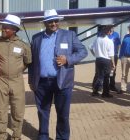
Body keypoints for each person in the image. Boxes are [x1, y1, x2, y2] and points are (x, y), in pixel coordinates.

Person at [28, 9, 87, 140]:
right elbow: (32, 62)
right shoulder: (36, 38)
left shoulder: (69, 35)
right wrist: (31, 80)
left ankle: (62, 137)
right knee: (42, 112)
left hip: (63, 81)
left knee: (62, 114)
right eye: (50, 21)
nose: (54, 23)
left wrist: (68, 59)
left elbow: (83, 51)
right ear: (45, 23)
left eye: (56, 21)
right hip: (42, 82)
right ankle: (43, 136)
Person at [0, 14, 32, 140]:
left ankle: (16, 136)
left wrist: (17, 70)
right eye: (3, 27)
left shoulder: (23, 45)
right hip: (1, 80)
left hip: (17, 80)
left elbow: (28, 61)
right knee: (0, 110)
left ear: (14, 29)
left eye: (6, 27)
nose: (3, 29)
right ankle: (1, 136)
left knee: (18, 110)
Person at [90, 25, 115, 98]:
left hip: (98, 59)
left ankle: (95, 91)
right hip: (106, 60)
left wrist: (95, 54)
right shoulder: (109, 41)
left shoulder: (97, 39)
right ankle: (105, 93)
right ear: (109, 32)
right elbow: (111, 54)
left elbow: (90, 47)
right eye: (111, 31)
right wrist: (113, 63)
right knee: (106, 77)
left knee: (99, 75)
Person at [108, 26, 121, 92]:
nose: (111, 28)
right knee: (106, 71)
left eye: (113, 26)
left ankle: (112, 85)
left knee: (113, 71)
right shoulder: (106, 34)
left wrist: (117, 53)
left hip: (114, 55)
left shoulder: (116, 34)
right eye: (111, 26)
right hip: (107, 56)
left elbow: (118, 44)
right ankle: (104, 85)